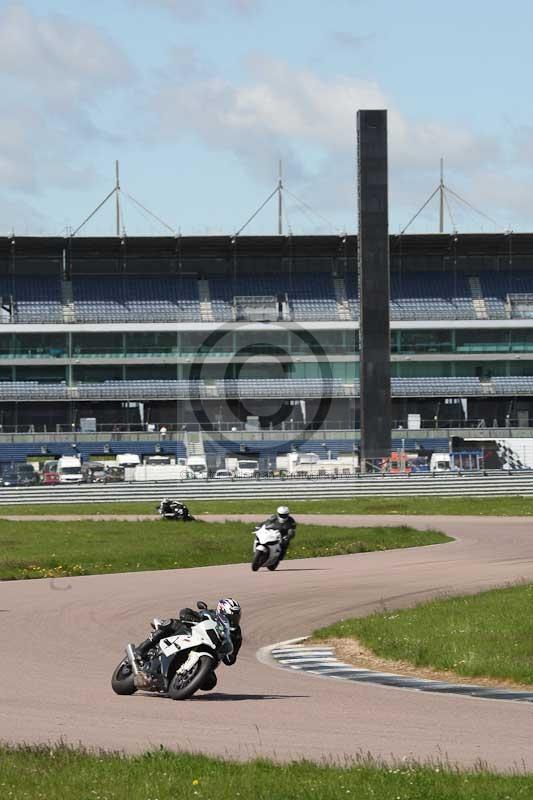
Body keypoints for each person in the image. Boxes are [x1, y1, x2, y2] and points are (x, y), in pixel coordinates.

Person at [135, 598, 242, 674]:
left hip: (210, 652)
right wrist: (189, 617)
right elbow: (186, 612)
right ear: (221, 611)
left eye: (236, 617)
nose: (234, 620)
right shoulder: (210, 614)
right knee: (171, 623)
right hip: (191, 635)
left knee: (210, 683)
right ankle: (140, 650)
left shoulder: (236, 634)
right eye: (231, 617)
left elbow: (230, 660)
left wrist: (228, 653)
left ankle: (182, 680)